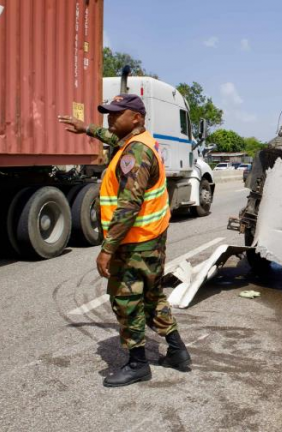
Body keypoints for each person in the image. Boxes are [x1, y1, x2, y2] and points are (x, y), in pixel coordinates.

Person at [58, 94, 191, 387]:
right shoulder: (137, 141)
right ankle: (179, 353)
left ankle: (138, 363)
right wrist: (87, 128)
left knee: (127, 301)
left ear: (137, 118)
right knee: (152, 297)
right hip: (151, 240)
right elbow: (110, 136)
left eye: (117, 114)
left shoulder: (136, 154)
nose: (110, 118)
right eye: (108, 113)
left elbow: (128, 206)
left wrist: (107, 250)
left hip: (134, 244)